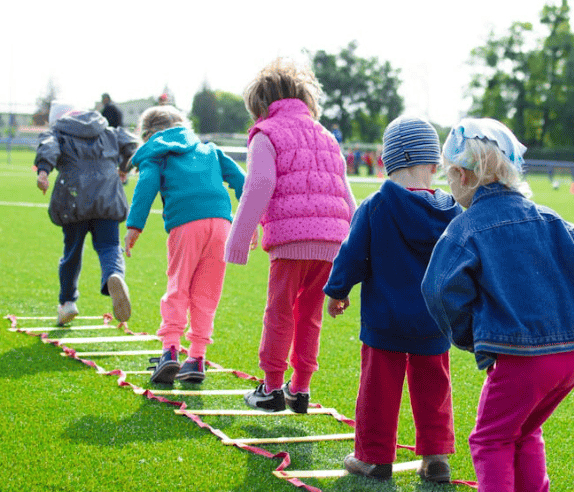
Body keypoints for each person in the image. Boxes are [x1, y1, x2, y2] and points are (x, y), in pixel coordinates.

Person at [421, 118, 574, 492]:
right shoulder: (549, 217)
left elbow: (438, 289)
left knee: (490, 439)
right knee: (525, 431)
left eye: (450, 176)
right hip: (572, 358)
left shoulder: (466, 227)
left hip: (523, 359)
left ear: (463, 175)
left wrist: (471, 336)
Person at [324, 116, 461, 483]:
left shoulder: (376, 205)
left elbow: (352, 254)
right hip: (435, 321)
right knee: (434, 389)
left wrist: (337, 291)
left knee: (378, 390)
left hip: (384, 319)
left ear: (385, 161)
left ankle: (374, 457)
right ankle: (436, 458)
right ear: (434, 165)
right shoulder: (453, 210)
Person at [225, 58, 356, 412]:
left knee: (279, 312)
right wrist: (356, 248)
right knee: (309, 315)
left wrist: (239, 239)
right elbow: (345, 193)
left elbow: (261, 183)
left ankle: (270, 389)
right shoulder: (327, 136)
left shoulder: (266, 133)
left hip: (290, 241)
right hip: (332, 242)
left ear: (260, 105)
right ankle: (299, 388)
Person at [124, 105, 245, 384]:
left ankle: (170, 352)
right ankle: (197, 358)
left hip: (186, 223)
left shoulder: (157, 153)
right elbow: (242, 180)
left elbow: (147, 184)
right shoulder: (209, 149)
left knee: (178, 286)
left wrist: (134, 226)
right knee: (207, 292)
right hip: (222, 224)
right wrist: (250, 221)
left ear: (147, 134)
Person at [35, 102, 138, 326]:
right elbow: (132, 144)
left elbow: (48, 147)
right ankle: (114, 275)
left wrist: (43, 172)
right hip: (108, 196)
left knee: (72, 252)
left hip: (74, 198)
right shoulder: (106, 129)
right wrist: (124, 167)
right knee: (109, 246)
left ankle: (68, 302)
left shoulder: (58, 131)